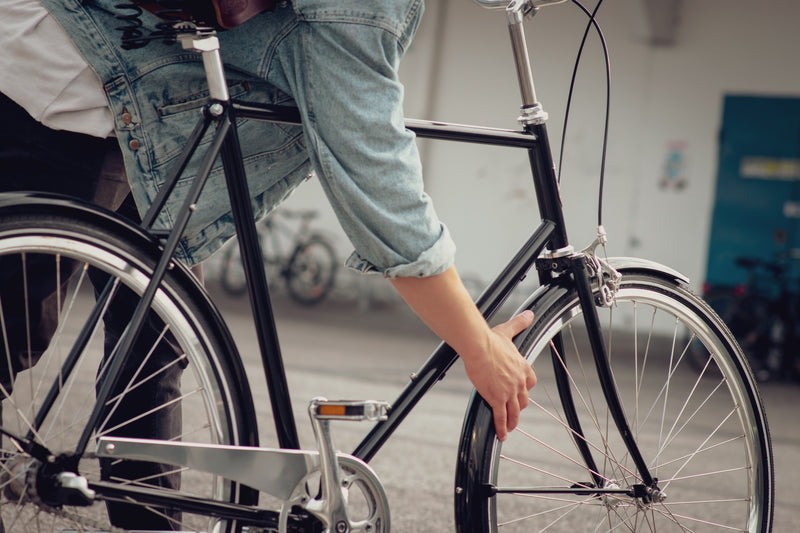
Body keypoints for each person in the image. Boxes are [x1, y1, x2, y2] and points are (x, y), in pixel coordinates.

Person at [3, 0, 534, 476]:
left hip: (142, 109)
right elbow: (379, 184)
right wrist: (478, 345)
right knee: (15, 323)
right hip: (61, 81)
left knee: (155, 346)